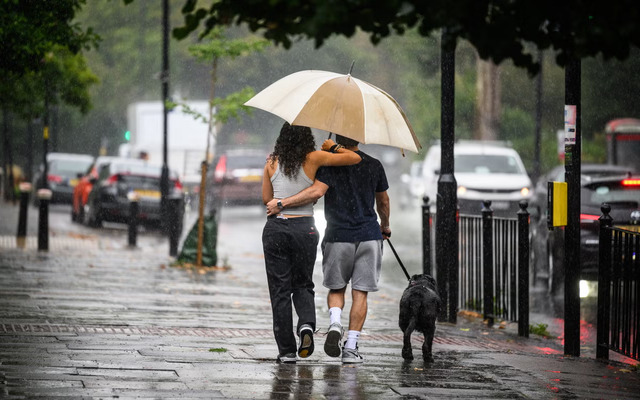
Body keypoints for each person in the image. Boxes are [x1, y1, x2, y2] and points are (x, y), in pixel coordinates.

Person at [266, 134, 391, 364]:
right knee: (360, 292)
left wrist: (284, 201)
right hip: (369, 236)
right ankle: (351, 347)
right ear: (359, 139)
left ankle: (334, 323)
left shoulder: (328, 163)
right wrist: (385, 226)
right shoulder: (374, 164)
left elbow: (316, 191)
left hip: (338, 236)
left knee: (336, 288)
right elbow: (383, 202)